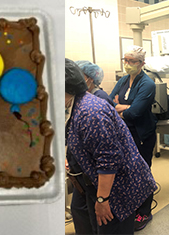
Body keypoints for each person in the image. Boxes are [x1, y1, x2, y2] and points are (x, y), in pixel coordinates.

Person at [66, 58, 157, 235]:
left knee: (112, 227)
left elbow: (109, 159)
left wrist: (102, 199)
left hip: (116, 188)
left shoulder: (91, 111)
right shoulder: (73, 106)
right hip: (93, 181)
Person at [109, 45, 157, 231]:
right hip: (124, 133)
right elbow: (109, 101)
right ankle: (131, 206)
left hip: (141, 134)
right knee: (128, 173)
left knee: (142, 172)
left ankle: (144, 212)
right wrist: (125, 108)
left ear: (142, 63)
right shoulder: (122, 80)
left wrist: (121, 107)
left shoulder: (147, 84)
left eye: (132, 61)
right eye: (125, 60)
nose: (127, 64)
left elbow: (135, 113)